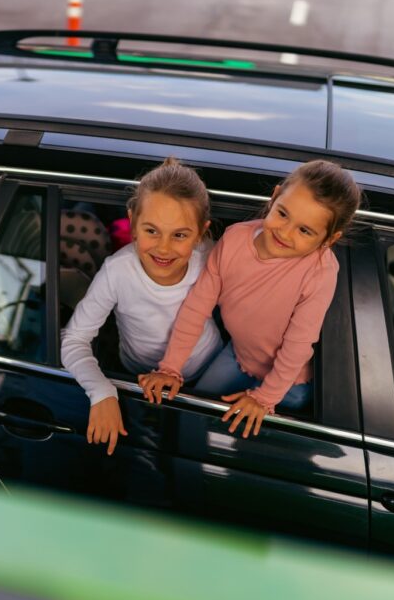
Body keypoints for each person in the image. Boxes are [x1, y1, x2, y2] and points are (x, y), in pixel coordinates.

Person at [140, 160, 362, 439]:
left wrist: (264, 398)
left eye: (305, 230)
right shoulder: (234, 239)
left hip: (288, 382)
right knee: (190, 415)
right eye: (283, 214)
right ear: (274, 197)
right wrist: (170, 368)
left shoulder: (320, 272)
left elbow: (298, 344)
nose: (285, 232)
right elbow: (197, 307)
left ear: (329, 239)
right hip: (238, 355)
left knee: (247, 441)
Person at [61, 157, 223, 455]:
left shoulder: (211, 258)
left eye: (180, 235)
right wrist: (101, 391)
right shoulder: (117, 271)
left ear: (201, 232)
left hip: (207, 372)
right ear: (132, 221)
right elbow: (74, 339)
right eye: (152, 231)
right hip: (137, 378)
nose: (163, 248)